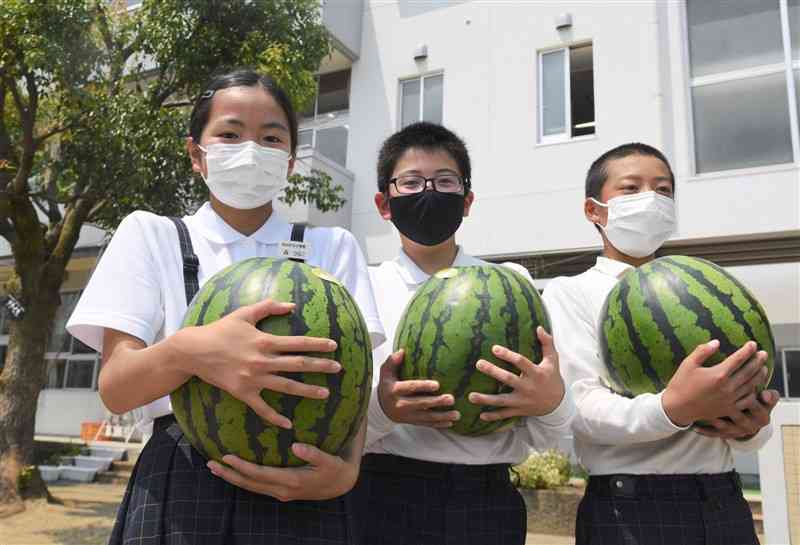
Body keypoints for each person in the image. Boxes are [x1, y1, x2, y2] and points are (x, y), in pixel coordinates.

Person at [67, 68, 385, 545]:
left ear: (291, 160)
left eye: (271, 137)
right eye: (231, 134)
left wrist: (347, 471)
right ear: (197, 154)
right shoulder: (151, 235)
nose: (251, 149)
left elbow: (355, 384)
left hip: (306, 484)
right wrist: (189, 351)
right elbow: (116, 388)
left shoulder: (332, 246)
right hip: (183, 477)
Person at [348, 122, 575, 545]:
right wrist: (383, 410)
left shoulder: (513, 285)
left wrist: (551, 401)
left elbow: (550, 430)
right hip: (381, 497)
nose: (429, 192)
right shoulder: (360, 288)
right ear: (384, 203)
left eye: (445, 181)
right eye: (411, 182)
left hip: (487, 502)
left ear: (466, 201)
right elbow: (338, 425)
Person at [542, 142, 780, 545]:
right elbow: (578, 410)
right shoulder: (570, 292)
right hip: (630, 508)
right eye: (631, 189)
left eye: (663, 190)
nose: (650, 199)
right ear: (594, 211)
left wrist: (752, 428)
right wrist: (673, 408)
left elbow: (741, 393)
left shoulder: (699, 282)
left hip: (722, 497)